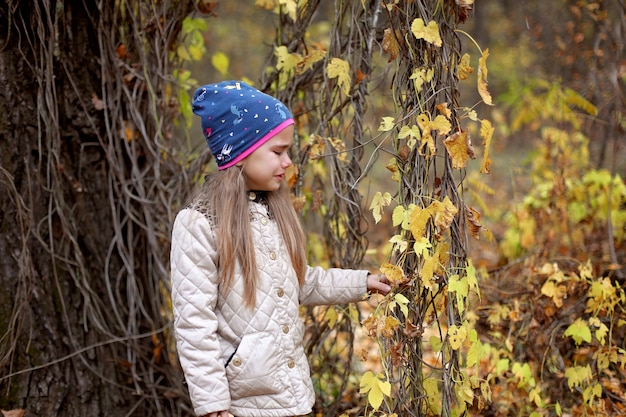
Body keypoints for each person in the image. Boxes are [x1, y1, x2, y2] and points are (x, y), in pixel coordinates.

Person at [170, 80, 390, 417]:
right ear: (241, 150)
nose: (288, 162)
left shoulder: (273, 212)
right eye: (278, 151)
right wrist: (214, 407)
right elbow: (193, 324)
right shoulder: (200, 223)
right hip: (240, 402)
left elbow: (297, 282)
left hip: (290, 392)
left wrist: (362, 283)